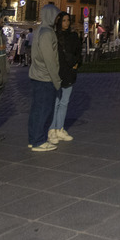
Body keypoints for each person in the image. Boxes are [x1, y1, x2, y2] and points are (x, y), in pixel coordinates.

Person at [28, 4, 62, 151]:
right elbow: (50, 59)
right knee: (43, 110)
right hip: (45, 77)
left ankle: (33, 138)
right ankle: (39, 141)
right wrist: (57, 80)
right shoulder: (48, 33)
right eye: (56, 16)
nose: (57, 19)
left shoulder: (39, 30)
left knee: (36, 110)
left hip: (36, 74)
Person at [49, 12, 81, 143]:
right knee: (56, 102)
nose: (66, 23)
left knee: (64, 102)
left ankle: (60, 128)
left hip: (69, 72)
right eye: (64, 20)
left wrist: (76, 64)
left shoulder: (73, 36)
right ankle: (52, 130)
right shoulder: (54, 36)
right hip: (57, 72)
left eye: (68, 20)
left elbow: (78, 52)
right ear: (59, 22)